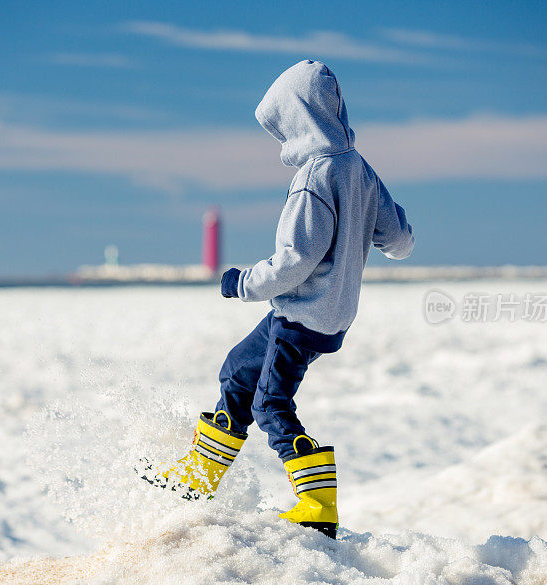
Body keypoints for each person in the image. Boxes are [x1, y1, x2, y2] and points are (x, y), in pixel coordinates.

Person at [147, 60, 414, 539]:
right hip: (327, 313)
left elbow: (296, 259)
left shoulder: (315, 178)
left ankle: (317, 503)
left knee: (271, 402)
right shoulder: (360, 171)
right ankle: (199, 476)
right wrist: (374, 218)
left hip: (301, 311)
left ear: (298, 119)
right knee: (238, 369)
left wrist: (243, 283)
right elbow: (398, 240)